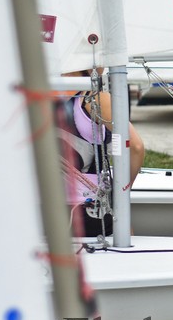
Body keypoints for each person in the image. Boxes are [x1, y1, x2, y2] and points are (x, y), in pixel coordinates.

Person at [57, 69, 145, 237]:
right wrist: (122, 195)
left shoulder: (37, 92)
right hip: (89, 212)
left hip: (43, 212)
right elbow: (136, 147)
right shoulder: (93, 97)